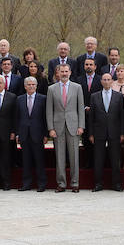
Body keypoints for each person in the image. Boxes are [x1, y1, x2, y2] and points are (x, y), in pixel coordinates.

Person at [48, 63, 86, 193]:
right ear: (58, 73)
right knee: (59, 157)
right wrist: (50, 128)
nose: (64, 74)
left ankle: (75, 183)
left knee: (74, 156)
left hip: (74, 126)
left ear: (70, 72)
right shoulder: (51, 89)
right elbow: (49, 110)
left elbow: (80, 108)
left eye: (66, 71)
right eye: (61, 72)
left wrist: (81, 126)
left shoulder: (77, 87)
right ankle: (61, 184)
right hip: (57, 127)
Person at [91, 73, 124, 192]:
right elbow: (92, 117)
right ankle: (98, 184)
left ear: (112, 81)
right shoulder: (94, 96)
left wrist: (122, 133)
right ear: (101, 81)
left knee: (115, 159)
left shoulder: (119, 96)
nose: (106, 82)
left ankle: (116, 184)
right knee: (98, 159)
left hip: (114, 132)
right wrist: (91, 134)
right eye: (104, 80)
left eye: (109, 80)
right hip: (99, 132)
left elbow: (122, 116)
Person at [16, 77, 48, 192]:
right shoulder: (19, 99)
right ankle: (26, 184)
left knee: (39, 160)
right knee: (26, 160)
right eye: (28, 84)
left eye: (33, 84)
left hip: (38, 134)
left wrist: (45, 134)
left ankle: (41, 184)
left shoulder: (43, 99)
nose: (31, 86)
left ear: (36, 86)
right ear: (25, 86)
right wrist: (17, 134)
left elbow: (45, 117)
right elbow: (17, 118)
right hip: (24, 134)